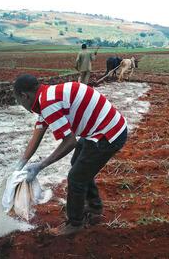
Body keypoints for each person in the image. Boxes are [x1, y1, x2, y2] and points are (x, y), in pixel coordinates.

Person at [13, 74, 127, 236]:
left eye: (19, 101)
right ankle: (94, 208)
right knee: (78, 163)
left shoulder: (47, 103)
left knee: (76, 177)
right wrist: (20, 164)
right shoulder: (45, 96)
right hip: (100, 130)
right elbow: (36, 136)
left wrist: (41, 165)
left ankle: (75, 223)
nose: (21, 104)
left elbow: (70, 142)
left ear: (24, 95)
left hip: (109, 134)